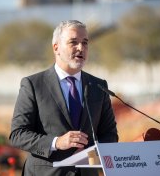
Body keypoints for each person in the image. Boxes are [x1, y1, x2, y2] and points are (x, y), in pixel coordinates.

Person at [9, 20, 118, 176]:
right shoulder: (33, 85)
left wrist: (89, 154)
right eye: (73, 42)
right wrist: (56, 142)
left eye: (85, 43)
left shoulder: (99, 86)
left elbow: (110, 135)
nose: (81, 48)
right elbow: (18, 134)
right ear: (56, 48)